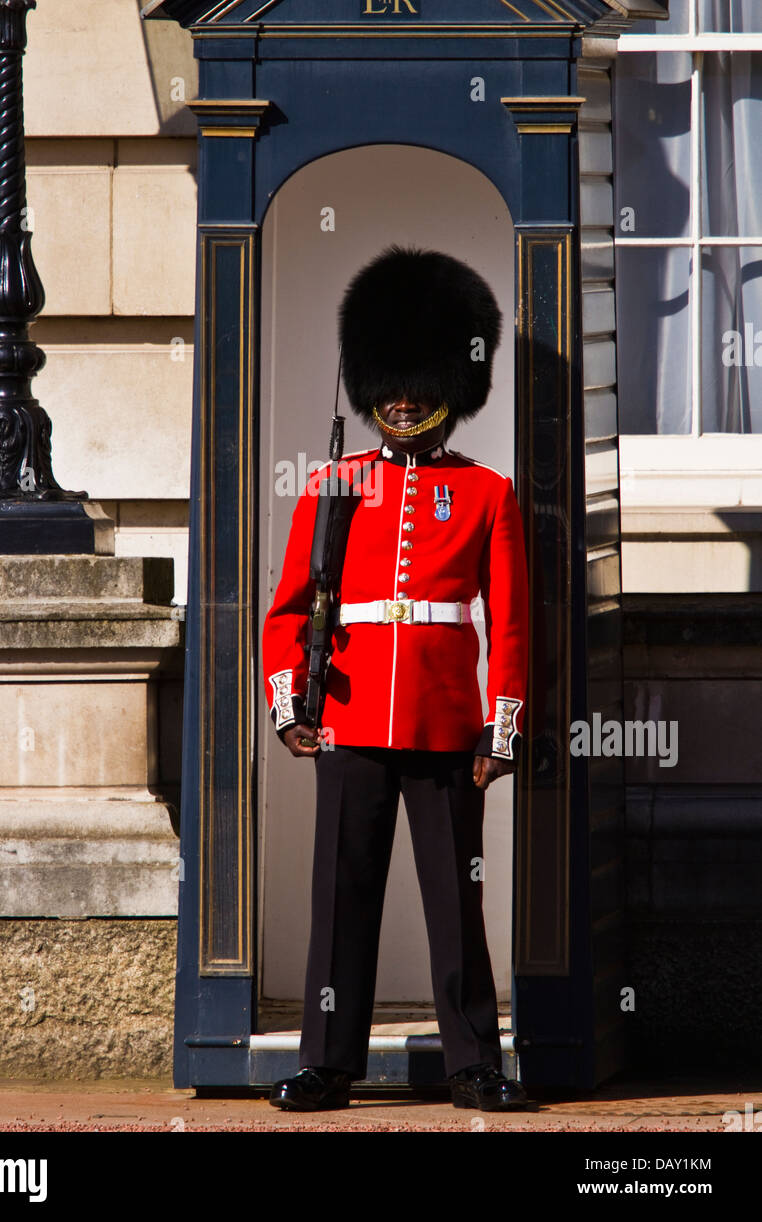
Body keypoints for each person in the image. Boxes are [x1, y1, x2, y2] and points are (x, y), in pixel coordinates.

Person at [262, 245, 531, 1112]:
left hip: (449, 723)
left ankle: (473, 1063)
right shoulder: (333, 486)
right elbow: (287, 610)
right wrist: (288, 707)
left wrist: (504, 726)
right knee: (341, 899)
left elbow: (512, 621)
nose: (404, 399)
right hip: (348, 719)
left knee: (459, 902)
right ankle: (328, 1063)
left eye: (418, 382)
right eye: (392, 383)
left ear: (450, 388)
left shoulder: (488, 493)